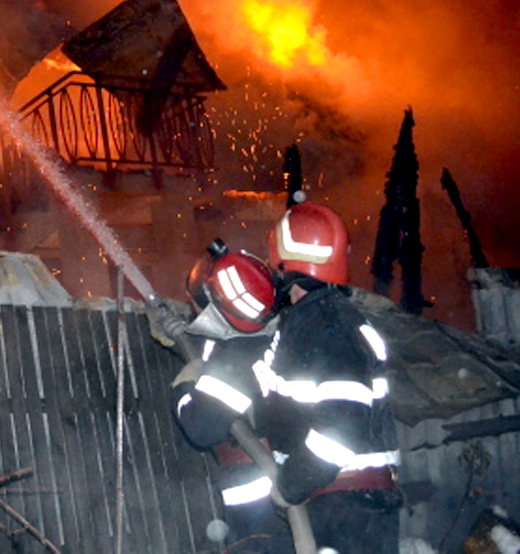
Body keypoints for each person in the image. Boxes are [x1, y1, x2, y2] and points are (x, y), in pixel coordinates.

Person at [256, 202, 402, 553]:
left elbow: (341, 430)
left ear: (283, 263)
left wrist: (291, 484)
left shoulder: (327, 328)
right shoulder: (315, 320)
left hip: (346, 507)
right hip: (340, 502)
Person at [170, 240, 293, 553]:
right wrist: (177, 340)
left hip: (260, 506)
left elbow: (201, 427)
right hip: (282, 496)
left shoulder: (236, 357)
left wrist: (184, 388)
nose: (193, 309)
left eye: (198, 303)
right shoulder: (269, 337)